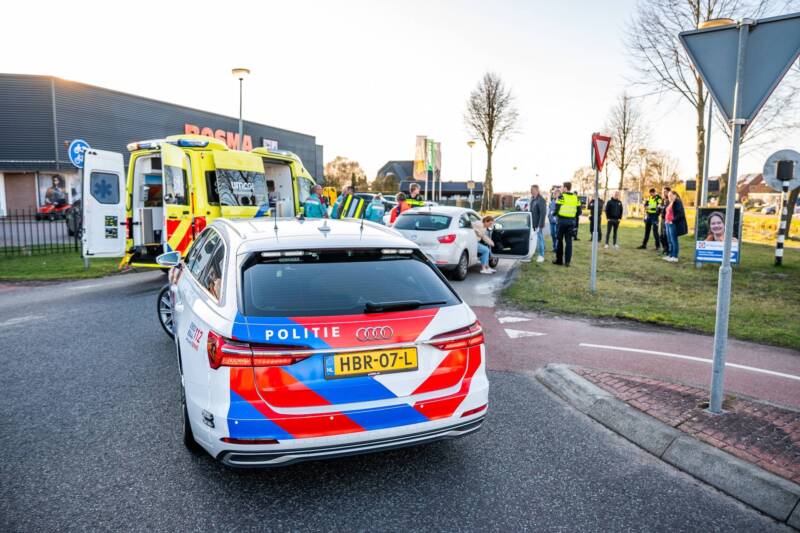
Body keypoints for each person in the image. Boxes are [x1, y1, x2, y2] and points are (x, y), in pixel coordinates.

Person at [553, 181, 581, 267]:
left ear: (565, 188)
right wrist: (573, 217)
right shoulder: (576, 198)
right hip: (571, 222)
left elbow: (557, 209)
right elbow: (579, 211)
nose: (561, 188)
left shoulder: (561, 197)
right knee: (569, 242)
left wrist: (554, 215)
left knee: (560, 240)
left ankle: (559, 260)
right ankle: (567, 262)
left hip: (562, 221)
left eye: (562, 187)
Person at [663, 190, 688, 263]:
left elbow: (681, 214)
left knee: (674, 240)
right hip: (667, 223)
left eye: (671, 195)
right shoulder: (669, 202)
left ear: (675, 195)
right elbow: (666, 212)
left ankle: (675, 256)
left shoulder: (677, 202)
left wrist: (672, 221)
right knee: (669, 240)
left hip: (673, 224)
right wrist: (666, 220)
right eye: (669, 195)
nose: (669, 196)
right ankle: (670, 255)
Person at [528, 184, 547, 263]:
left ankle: (541, 255)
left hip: (538, 224)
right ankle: (532, 253)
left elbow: (543, 213)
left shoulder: (541, 200)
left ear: (536, 190)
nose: (531, 191)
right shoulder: (532, 199)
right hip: (532, 223)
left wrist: (540, 225)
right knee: (536, 239)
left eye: (532, 189)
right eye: (530, 189)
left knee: (540, 239)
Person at [658, 186, 672, 255]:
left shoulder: (670, 201)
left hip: (668, 220)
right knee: (661, 235)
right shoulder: (662, 200)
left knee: (666, 235)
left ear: (668, 192)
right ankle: (664, 248)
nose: (663, 193)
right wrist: (658, 208)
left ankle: (668, 250)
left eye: (665, 192)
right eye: (662, 192)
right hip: (662, 219)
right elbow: (659, 211)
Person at [548, 186, 560, 253]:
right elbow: (550, 210)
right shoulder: (552, 201)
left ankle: (557, 248)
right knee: (552, 234)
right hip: (551, 221)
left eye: (555, 193)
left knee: (556, 235)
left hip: (557, 222)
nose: (554, 194)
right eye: (553, 193)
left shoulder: (560, 201)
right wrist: (549, 216)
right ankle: (554, 247)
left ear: (558, 194)